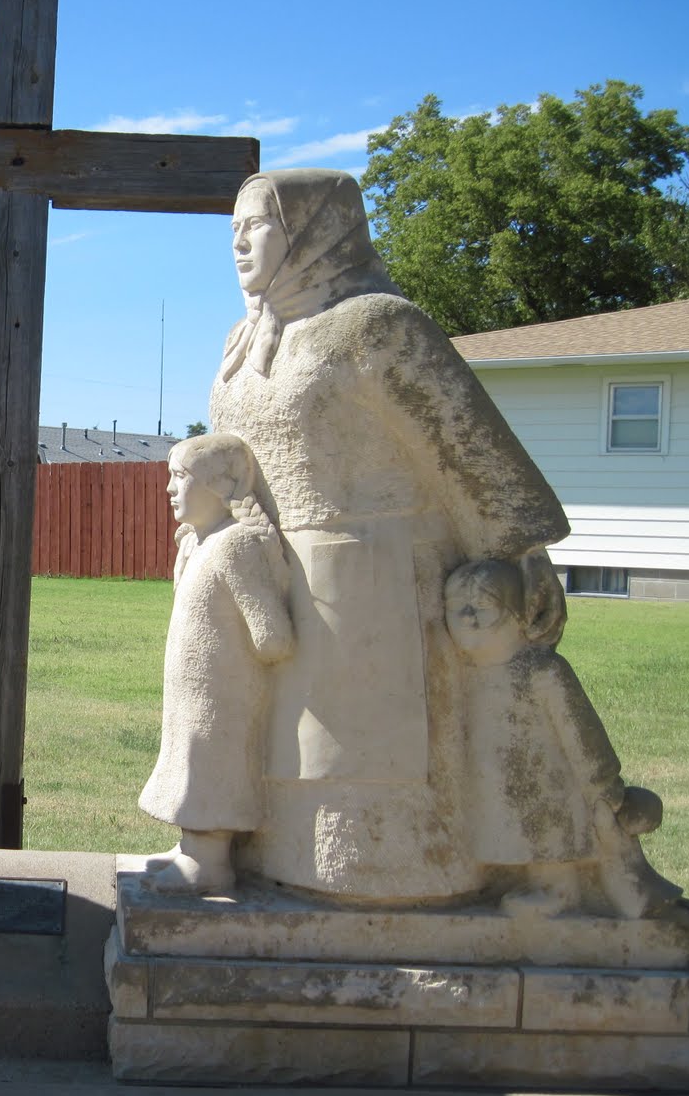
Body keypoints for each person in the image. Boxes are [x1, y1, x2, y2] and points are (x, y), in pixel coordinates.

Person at [209, 169, 571, 901]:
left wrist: (523, 555)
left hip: (384, 585)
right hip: (278, 585)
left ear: (315, 229)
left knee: (371, 771)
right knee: (286, 764)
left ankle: (395, 890)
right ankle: (271, 862)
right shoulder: (243, 343)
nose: (242, 243)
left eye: (259, 224)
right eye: (234, 231)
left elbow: (473, 453)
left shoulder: (378, 325)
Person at [445, 560, 684, 917]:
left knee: (546, 832)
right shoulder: (464, 675)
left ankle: (559, 889)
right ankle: (533, 882)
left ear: (518, 617)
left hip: (548, 782)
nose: (467, 617)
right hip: (497, 778)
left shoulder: (542, 673)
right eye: (456, 608)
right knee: (512, 829)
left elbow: (580, 729)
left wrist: (602, 781)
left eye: (482, 607)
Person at [140, 433, 293, 894]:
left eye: (181, 477)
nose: (169, 488)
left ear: (221, 486)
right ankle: (192, 847)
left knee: (213, 764)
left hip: (223, 692)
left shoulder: (235, 546)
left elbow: (272, 636)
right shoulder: (204, 543)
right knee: (189, 762)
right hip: (194, 691)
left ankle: (211, 863)